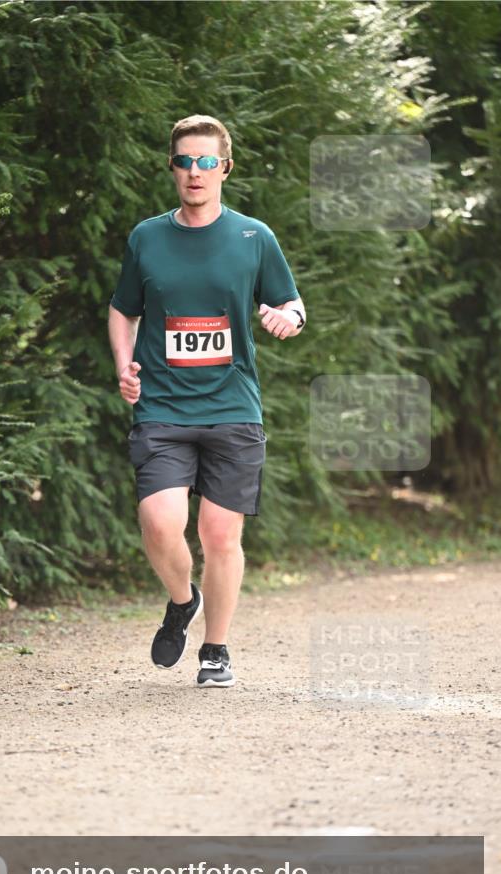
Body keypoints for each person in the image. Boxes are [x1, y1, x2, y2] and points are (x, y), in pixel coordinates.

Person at [108, 114, 305, 689]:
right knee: (160, 522)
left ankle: (215, 650)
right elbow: (124, 308)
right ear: (172, 168)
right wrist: (124, 364)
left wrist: (284, 317)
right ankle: (181, 599)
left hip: (232, 408)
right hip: (163, 408)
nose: (195, 172)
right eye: (184, 161)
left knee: (221, 534)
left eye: (206, 161)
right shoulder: (147, 237)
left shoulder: (253, 237)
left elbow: (291, 303)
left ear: (225, 167)